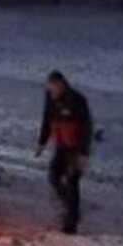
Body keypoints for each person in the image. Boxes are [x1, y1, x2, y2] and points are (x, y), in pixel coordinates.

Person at [35, 70, 93, 234]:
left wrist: (84, 153)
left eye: (54, 87)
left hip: (76, 148)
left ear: (61, 84)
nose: (52, 91)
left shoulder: (77, 100)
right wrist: (41, 142)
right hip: (61, 144)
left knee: (72, 182)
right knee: (54, 176)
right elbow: (47, 119)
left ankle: (71, 223)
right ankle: (70, 207)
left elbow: (87, 127)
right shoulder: (51, 99)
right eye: (50, 88)